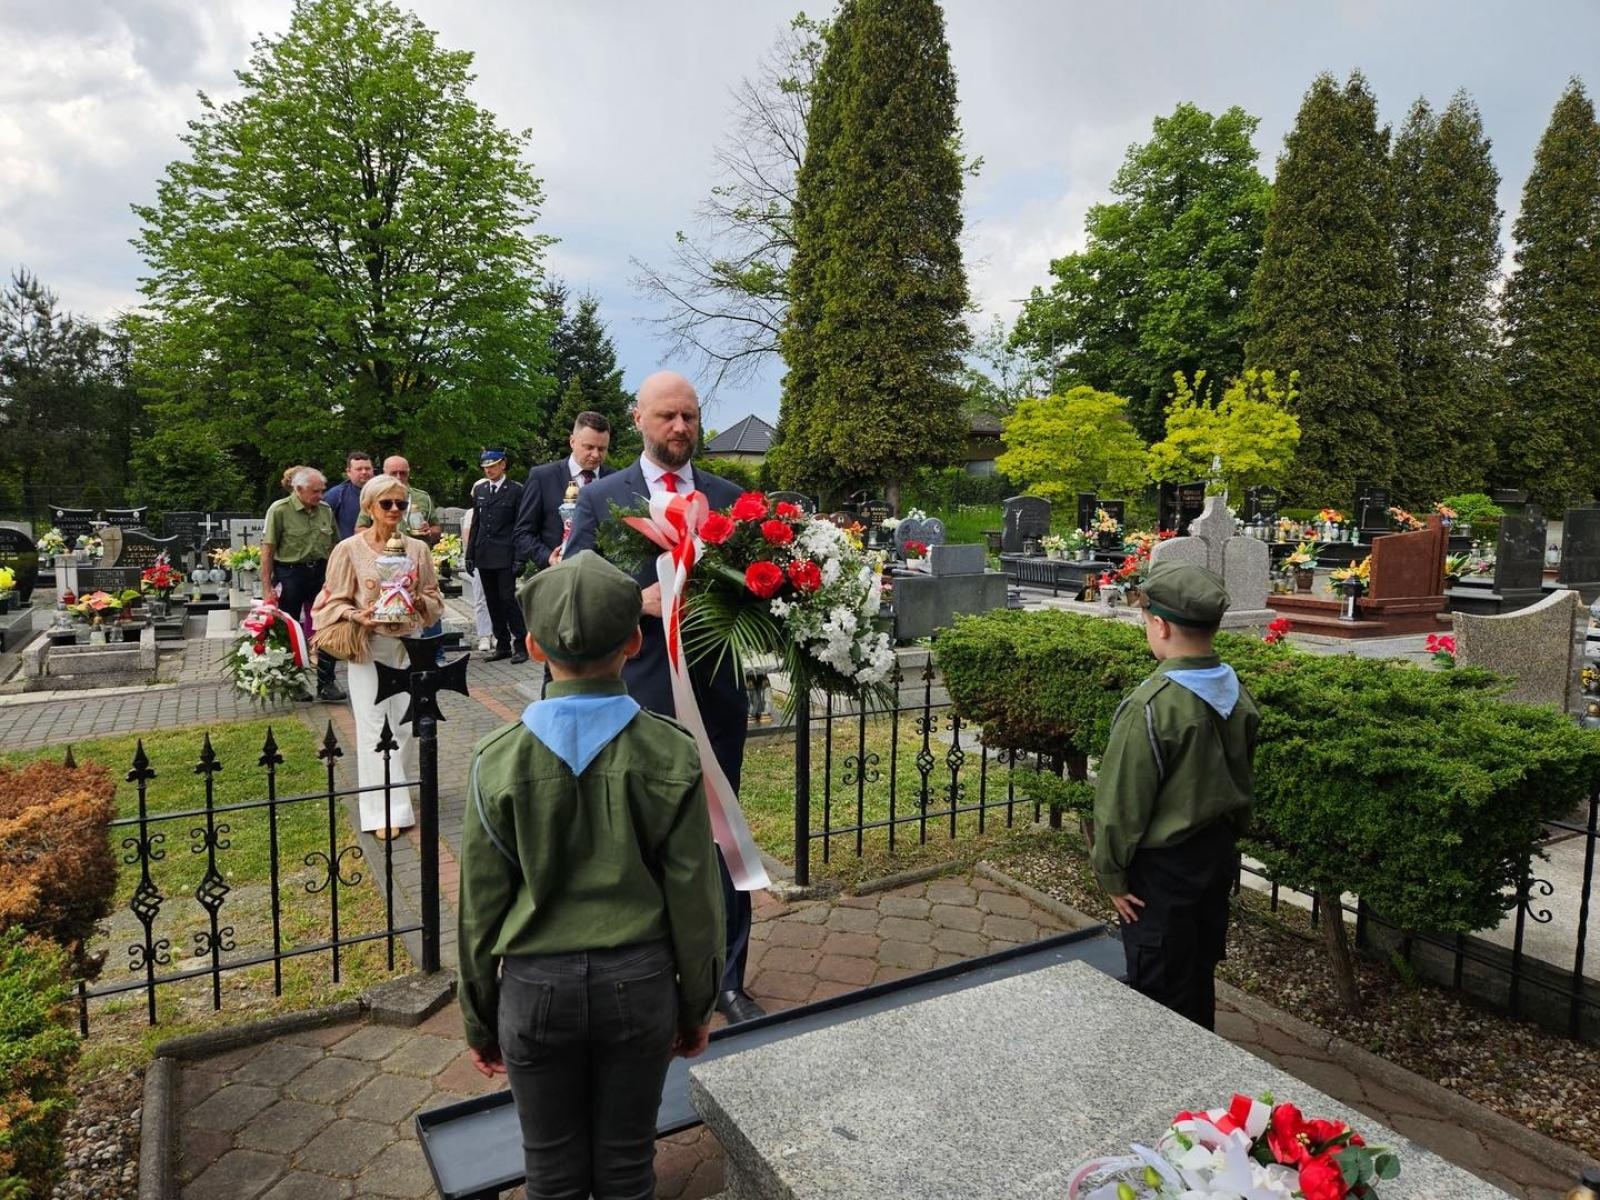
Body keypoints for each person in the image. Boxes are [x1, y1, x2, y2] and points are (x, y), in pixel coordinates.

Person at [458, 550, 723, 1200]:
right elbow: (695, 898)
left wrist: (478, 1019)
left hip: (533, 990)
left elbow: (478, 911)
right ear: (636, 639)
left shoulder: (495, 761)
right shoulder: (671, 750)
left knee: (548, 1170)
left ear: (531, 644)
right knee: (628, 1165)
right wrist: (696, 1006)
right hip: (640, 983)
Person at [565, 371, 763, 1024]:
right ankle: (646, 973)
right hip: (637, 695)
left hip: (715, 698)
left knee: (720, 841)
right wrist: (635, 601)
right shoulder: (601, 501)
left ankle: (726, 980)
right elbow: (574, 590)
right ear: (639, 419)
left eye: (690, 416)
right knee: (641, 842)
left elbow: (756, 591)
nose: (680, 427)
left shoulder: (733, 499)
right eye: (667, 416)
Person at [1091, 560, 1259, 1031]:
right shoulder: (1234, 690)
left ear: (1160, 625)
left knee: (1158, 986)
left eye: (1146, 620)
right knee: (1197, 970)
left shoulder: (1154, 705)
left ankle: (1167, 1080)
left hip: (1160, 874)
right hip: (1214, 856)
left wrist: (1112, 874)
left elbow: (1122, 802)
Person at [311, 474, 444, 837]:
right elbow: (330, 602)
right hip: (368, 646)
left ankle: (395, 790)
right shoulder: (349, 549)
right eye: (387, 504)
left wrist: (418, 600)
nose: (395, 510)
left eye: (401, 504)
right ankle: (382, 810)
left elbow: (435, 598)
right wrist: (358, 615)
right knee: (372, 726)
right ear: (369, 507)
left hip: (408, 644)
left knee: (403, 722)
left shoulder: (417, 550)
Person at [260, 467, 345, 702]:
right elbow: (267, 552)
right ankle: (293, 682)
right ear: (298, 490)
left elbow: (335, 546)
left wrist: (337, 579)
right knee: (290, 630)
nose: (320, 495)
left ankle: (326, 683)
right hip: (290, 574)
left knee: (328, 626)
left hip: (320, 573)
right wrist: (267, 590)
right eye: (315, 491)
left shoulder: (325, 510)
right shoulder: (279, 511)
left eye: (322, 490)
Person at [514, 411, 614, 571]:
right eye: (589, 447)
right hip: (556, 579)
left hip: (603, 580)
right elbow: (523, 533)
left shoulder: (614, 480)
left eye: (602, 449)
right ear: (572, 441)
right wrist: (548, 557)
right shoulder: (542, 477)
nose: (596, 455)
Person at [465, 449, 528, 664]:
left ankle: (520, 643)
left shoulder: (516, 491)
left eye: (493, 466)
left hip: (505, 554)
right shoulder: (481, 489)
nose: (489, 470)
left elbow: (521, 526)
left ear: (503, 465)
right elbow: (476, 524)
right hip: (484, 553)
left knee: (507, 600)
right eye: (485, 467)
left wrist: (520, 557)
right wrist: (470, 554)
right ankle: (502, 645)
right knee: (492, 602)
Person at [458, 506, 495, 653]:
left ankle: (497, 634)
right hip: (480, 558)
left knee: (498, 598)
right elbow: (467, 536)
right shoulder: (471, 513)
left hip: (498, 557)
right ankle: (484, 634)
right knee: (481, 598)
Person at [323, 451, 374, 541]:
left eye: (367, 468)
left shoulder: (383, 492)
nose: (364, 472)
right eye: (359, 469)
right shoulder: (335, 495)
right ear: (348, 472)